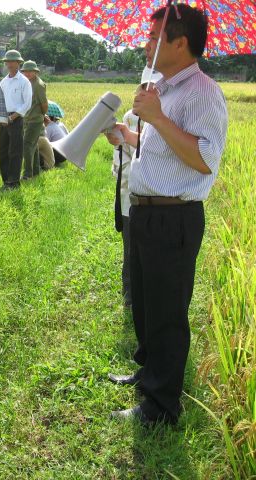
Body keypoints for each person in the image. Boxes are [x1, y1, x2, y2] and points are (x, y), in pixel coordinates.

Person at [105, 4, 228, 425]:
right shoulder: (163, 88)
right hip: (144, 210)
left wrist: (156, 115)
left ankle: (161, 407)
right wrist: (129, 134)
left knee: (167, 312)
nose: (146, 43)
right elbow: (161, 147)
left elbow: (204, 158)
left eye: (155, 36)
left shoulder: (203, 92)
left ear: (180, 42)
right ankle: (149, 373)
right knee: (144, 302)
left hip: (174, 217)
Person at [112, 66, 163, 309]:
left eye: (154, 88)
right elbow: (121, 159)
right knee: (131, 250)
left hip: (157, 195)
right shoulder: (130, 117)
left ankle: (148, 295)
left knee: (153, 250)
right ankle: (130, 296)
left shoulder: (165, 117)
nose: (148, 91)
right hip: (131, 191)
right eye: (145, 87)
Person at [0, 50, 32, 190]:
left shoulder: (24, 81)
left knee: (15, 151)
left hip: (16, 119)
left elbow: (27, 103)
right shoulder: (3, 81)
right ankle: (6, 181)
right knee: (3, 150)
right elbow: (0, 100)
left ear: (18, 63)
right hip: (3, 118)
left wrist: (12, 117)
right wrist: (1, 117)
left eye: (13, 61)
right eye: (8, 62)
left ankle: (13, 182)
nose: (10, 64)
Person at [20, 60, 48, 179]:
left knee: (26, 144)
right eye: (25, 71)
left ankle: (27, 174)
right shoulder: (28, 83)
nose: (27, 73)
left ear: (35, 72)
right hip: (28, 118)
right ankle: (36, 171)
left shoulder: (38, 85)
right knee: (34, 145)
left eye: (30, 71)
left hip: (35, 120)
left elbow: (44, 104)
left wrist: (42, 115)